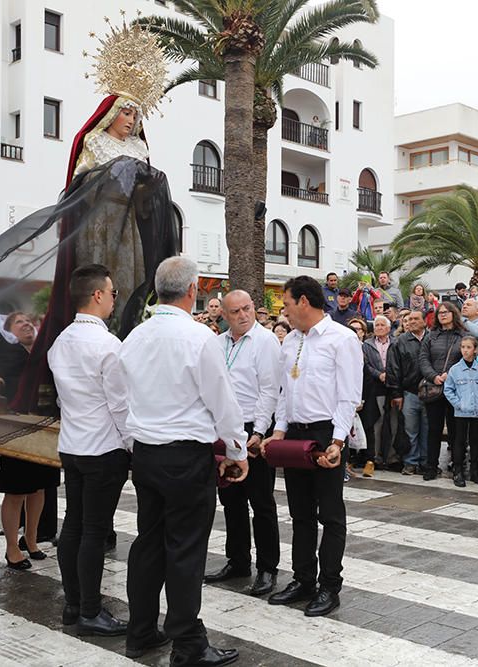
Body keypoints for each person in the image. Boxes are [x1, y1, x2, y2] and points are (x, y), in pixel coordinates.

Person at [120, 256, 249, 665]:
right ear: (193, 290)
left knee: (149, 542)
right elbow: (222, 402)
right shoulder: (198, 339)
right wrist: (236, 449)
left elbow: (123, 398)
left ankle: (141, 629)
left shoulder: (134, 338)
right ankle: (188, 643)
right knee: (184, 549)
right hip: (184, 455)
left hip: (147, 453)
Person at [264, 275, 361, 618]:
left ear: (304, 301)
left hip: (325, 435)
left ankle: (329, 586)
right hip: (294, 435)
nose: (284, 310)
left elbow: (348, 395)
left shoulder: (342, 339)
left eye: (287, 303)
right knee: (300, 512)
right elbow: (282, 393)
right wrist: (278, 432)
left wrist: (336, 441)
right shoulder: (290, 341)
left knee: (330, 514)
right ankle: (303, 579)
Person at [47, 265, 131, 637]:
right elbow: (120, 405)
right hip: (103, 447)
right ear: (97, 295)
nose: (115, 299)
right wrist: (134, 445)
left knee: (74, 526)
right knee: (94, 530)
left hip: (73, 445)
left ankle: (73, 603)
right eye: (112, 293)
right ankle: (90, 610)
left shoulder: (60, 341)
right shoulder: (108, 345)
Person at [0, 307, 59, 569]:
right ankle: (11, 547)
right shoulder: (7, 351)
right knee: (17, 492)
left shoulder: (46, 353)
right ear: (8, 332)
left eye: (29, 320)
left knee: (40, 488)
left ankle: (31, 540)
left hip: (44, 428)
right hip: (15, 428)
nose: (27, 324)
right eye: (19, 322)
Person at [204, 290, 282, 598]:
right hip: (225, 427)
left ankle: (267, 568)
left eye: (247, 308)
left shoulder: (265, 342)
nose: (242, 315)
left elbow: (270, 391)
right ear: (223, 314)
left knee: (261, 501)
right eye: (235, 311)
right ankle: (237, 561)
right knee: (231, 499)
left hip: (253, 426)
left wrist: (260, 431)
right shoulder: (217, 344)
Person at [417, 301, 466, 479]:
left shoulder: (463, 335)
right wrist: (434, 376)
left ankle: (458, 466)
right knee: (434, 429)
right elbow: (423, 359)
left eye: (446, 312)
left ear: (454, 313)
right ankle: (431, 466)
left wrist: (449, 375)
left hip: (456, 389)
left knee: (456, 430)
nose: (443, 315)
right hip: (434, 388)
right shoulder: (431, 336)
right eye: (440, 313)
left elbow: (467, 357)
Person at [443, 337, 478, 487]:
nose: (465, 350)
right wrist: (458, 404)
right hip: (461, 412)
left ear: (475, 350)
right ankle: (458, 471)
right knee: (459, 441)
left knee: (476, 442)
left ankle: (475, 470)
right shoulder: (455, 369)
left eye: (468, 347)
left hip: (477, 412)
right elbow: (448, 389)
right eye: (463, 347)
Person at [387, 310, 429, 478]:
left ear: (424, 321)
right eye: (409, 319)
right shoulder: (399, 342)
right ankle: (411, 462)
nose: (411, 321)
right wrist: (397, 393)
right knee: (410, 430)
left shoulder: (432, 339)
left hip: (430, 393)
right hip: (409, 393)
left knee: (428, 430)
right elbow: (393, 369)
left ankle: (426, 463)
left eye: (415, 319)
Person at [360, 316, 397, 475]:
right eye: (377, 325)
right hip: (375, 388)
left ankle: (392, 457)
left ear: (389, 328)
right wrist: (379, 375)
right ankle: (374, 456)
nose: (379, 327)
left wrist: (390, 375)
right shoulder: (367, 345)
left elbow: (398, 363)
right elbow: (366, 365)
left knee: (394, 423)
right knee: (377, 422)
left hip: (394, 387)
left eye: (382, 325)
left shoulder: (396, 342)